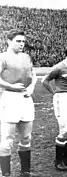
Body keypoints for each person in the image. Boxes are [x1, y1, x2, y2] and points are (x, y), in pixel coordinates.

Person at [0, 29, 37, 177]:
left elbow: (33, 74)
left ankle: (25, 172)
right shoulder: (3, 57)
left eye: (23, 41)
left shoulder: (26, 57)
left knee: (26, 137)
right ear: (9, 41)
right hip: (10, 98)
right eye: (18, 41)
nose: (22, 44)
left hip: (26, 99)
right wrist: (10, 86)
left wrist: (32, 87)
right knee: (7, 139)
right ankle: (5, 173)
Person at [42, 44, 67, 171]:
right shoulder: (58, 68)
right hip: (62, 99)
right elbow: (45, 81)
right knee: (64, 131)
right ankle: (58, 161)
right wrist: (54, 92)